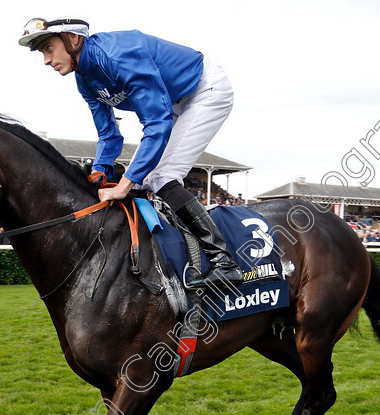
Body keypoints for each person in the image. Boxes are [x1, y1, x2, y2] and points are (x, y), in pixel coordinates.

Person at [18, 17, 242, 289]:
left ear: (72, 40)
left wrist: (124, 185)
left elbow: (157, 123)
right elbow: (109, 135)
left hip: (205, 89)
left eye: (48, 48)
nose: (45, 60)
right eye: (41, 52)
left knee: (161, 177)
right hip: (173, 101)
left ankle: (224, 262)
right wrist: (100, 172)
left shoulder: (119, 56)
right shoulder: (84, 80)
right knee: (146, 179)